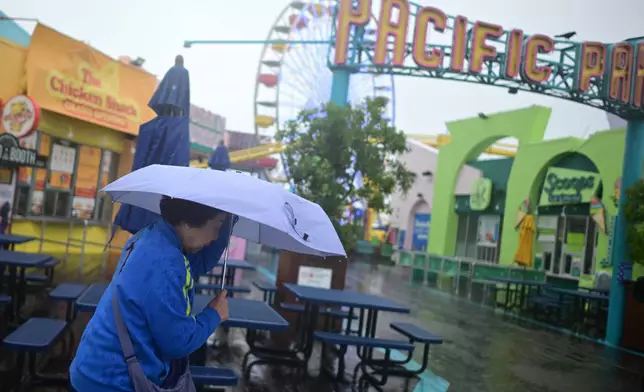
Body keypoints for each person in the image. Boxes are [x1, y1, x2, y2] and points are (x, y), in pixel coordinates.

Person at [70, 196, 235, 392]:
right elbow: (178, 342)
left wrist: (229, 220)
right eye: (217, 227)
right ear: (189, 223)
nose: (216, 237)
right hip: (112, 381)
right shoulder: (166, 264)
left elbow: (197, 263)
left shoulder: (154, 235)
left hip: (97, 366)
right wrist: (213, 315)